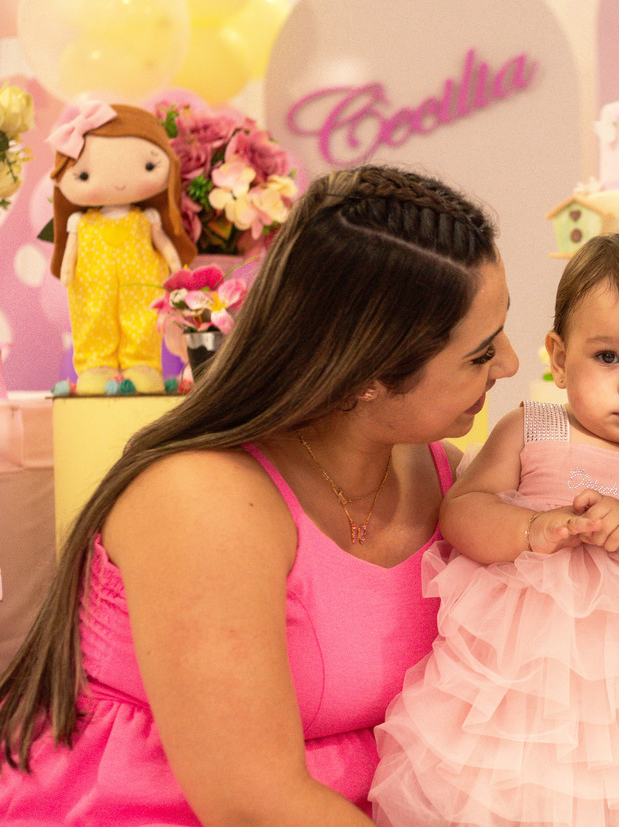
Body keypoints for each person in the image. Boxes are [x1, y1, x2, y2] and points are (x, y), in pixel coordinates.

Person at [0, 165, 518, 825]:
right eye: (479, 354)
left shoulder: (449, 480)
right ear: (367, 374)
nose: (508, 363)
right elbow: (253, 804)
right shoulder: (202, 501)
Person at [370, 229, 619, 827]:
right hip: (519, 673)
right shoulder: (533, 428)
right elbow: (463, 512)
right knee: (507, 785)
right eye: (608, 357)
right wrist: (531, 528)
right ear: (558, 358)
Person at [47, 100, 198, 394]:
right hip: (91, 284)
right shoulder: (78, 221)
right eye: (84, 175)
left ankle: (143, 364)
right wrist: (66, 270)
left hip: (143, 283)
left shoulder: (148, 217)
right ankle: (96, 366)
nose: (117, 185)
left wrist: (175, 265)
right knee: (92, 318)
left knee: (143, 319)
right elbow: (70, 253)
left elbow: (165, 244)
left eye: (149, 166)